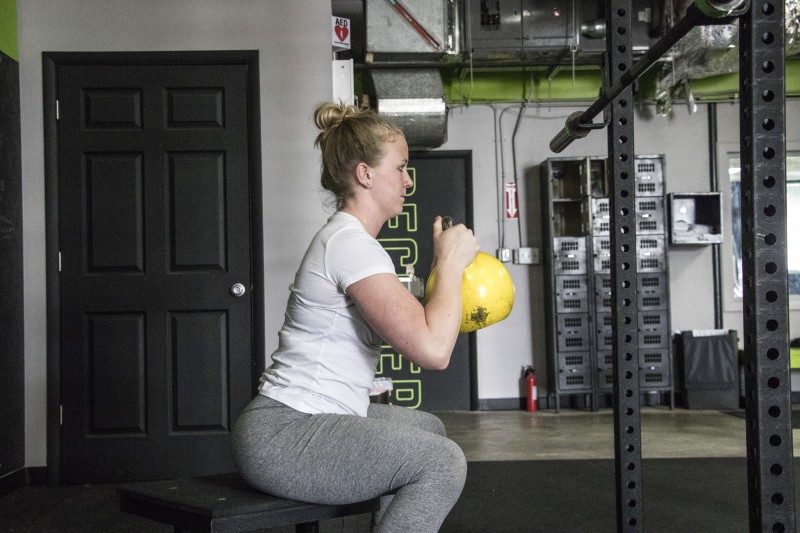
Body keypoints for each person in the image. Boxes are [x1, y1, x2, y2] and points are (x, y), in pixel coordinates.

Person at [231, 102, 479, 533]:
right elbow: (434, 351)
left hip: (307, 420)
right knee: (442, 462)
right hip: (284, 434)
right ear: (365, 174)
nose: (407, 180)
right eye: (400, 168)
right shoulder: (349, 245)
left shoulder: (354, 243)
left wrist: (445, 270)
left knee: (430, 430)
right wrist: (451, 264)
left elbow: (422, 319)